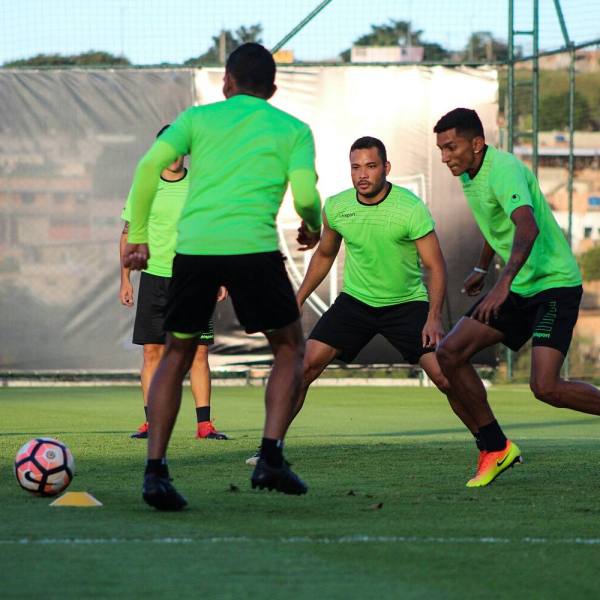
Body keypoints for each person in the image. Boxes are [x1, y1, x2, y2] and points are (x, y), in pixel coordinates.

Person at [123, 43, 322, 510]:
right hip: (253, 249)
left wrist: (141, 231)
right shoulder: (294, 129)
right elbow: (308, 195)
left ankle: (155, 473)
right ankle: (270, 455)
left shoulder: (196, 119)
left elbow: (149, 165)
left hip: (193, 253)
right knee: (291, 347)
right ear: (272, 89)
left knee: (176, 351)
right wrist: (312, 226)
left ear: (226, 82)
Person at [247, 136, 480, 466]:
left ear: (386, 168)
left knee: (444, 377)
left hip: (406, 304)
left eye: (370, 166)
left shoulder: (409, 207)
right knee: (303, 368)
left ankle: (490, 443)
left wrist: (432, 317)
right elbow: (324, 254)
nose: (363, 175)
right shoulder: (337, 207)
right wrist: (297, 299)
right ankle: (270, 449)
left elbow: (435, 265)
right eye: (356, 167)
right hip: (355, 303)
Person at [434, 107, 600, 488]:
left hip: (553, 285)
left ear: (477, 144)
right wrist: (480, 267)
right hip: (520, 285)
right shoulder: (469, 174)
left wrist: (502, 283)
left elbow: (526, 227)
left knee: (546, 388)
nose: (445, 157)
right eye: (441, 149)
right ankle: (496, 447)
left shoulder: (504, 168)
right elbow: (497, 225)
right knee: (449, 354)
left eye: (451, 147)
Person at [119, 125, 228, 441]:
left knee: (198, 353)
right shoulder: (146, 184)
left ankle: (204, 426)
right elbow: (128, 234)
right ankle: (152, 423)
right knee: (152, 353)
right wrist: (125, 278)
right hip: (153, 279)